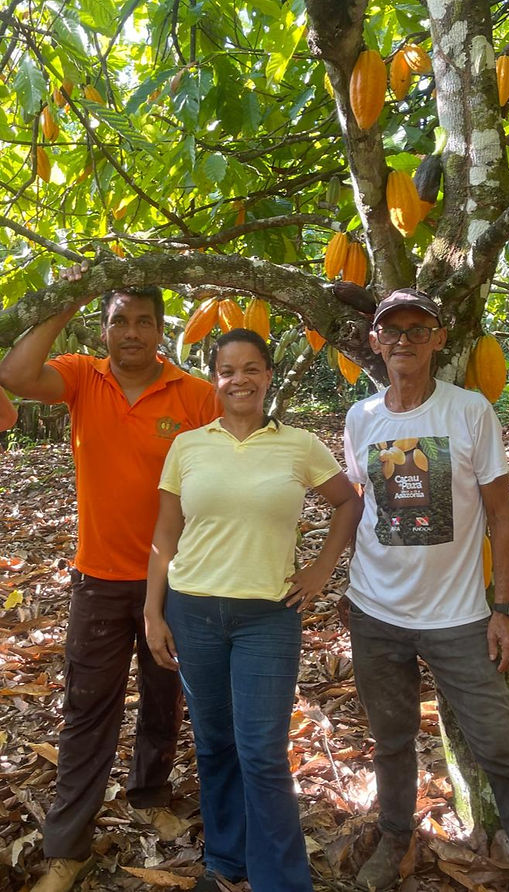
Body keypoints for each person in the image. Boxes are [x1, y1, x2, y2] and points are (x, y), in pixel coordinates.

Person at [0, 265, 219, 892]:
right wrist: (66, 300)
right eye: (119, 320)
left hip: (176, 577)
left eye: (144, 321)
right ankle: (67, 848)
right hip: (98, 577)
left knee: (163, 696)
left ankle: (149, 794)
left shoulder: (194, 394)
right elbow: (15, 375)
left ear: (160, 329)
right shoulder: (81, 376)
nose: (131, 332)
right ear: (103, 328)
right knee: (87, 710)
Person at [343, 287, 509, 891]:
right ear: (376, 341)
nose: (404, 340)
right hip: (376, 612)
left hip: (459, 617)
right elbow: (361, 505)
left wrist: (503, 608)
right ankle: (394, 841)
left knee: (500, 748)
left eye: (418, 329)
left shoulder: (469, 411)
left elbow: (502, 516)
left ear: (438, 339)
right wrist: (345, 582)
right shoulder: (361, 418)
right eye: (393, 330)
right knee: (391, 740)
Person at [145, 328, 362, 892]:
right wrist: (152, 611)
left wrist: (321, 570)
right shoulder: (188, 445)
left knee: (262, 752)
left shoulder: (299, 445)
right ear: (214, 379)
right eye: (227, 370)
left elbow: (347, 503)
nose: (238, 379)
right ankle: (225, 861)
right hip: (193, 611)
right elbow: (165, 534)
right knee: (215, 743)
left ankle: (281, 881)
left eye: (250, 369)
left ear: (268, 375)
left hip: (267, 615)